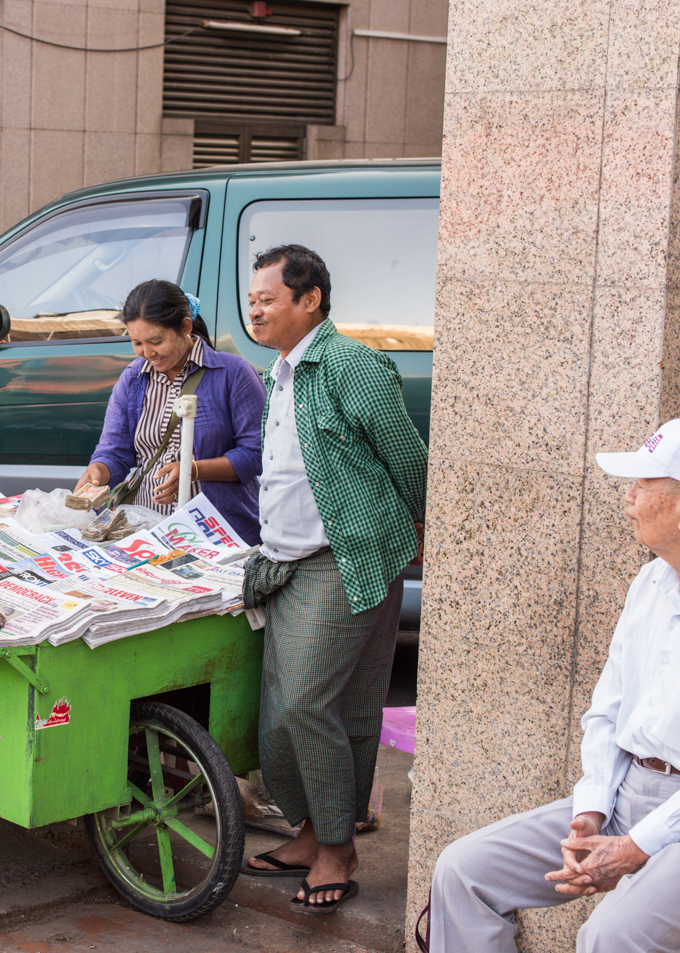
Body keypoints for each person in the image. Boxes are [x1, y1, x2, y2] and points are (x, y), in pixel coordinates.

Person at [428, 419, 680, 952]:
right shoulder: (651, 582)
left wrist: (636, 846)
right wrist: (592, 808)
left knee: (609, 936)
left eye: (643, 487)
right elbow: (607, 713)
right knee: (463, 871)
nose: (627, 499)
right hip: (629, 792)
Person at [240, 244, 427, 913]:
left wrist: (419, 525)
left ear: (310, 298)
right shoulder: (281, 370)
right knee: (286, 712)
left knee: (309, 708)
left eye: (267, 298)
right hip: (285, 562)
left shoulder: (351, 363)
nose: (255, 308)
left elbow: (406, 454)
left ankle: (336, 849)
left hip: (341, 560)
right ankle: (313, 828)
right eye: (253, 299)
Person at [78, 279, 266, 545]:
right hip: (146, 528)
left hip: (217, 532)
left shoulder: (233, 374)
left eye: (156, 341)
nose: (147, 353)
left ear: (185, 327)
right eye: (137, 343)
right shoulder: (133, 379)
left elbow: (255, 453)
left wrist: (195, 470)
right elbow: (115, 452)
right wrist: (99, 470)